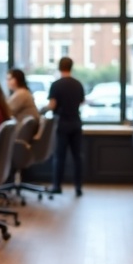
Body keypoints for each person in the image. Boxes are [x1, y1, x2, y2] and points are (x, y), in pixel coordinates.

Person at [46, 56, 85, 196]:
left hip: (62, 123)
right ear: (71, 67)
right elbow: (81, 102)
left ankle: (57, 186)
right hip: (76, 122)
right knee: (77, 157)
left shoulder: (56, 85)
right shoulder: (78, 84)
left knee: (59, 156)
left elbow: (52, 105)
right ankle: (78, 187)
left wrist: (42, 110)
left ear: (59, 67)